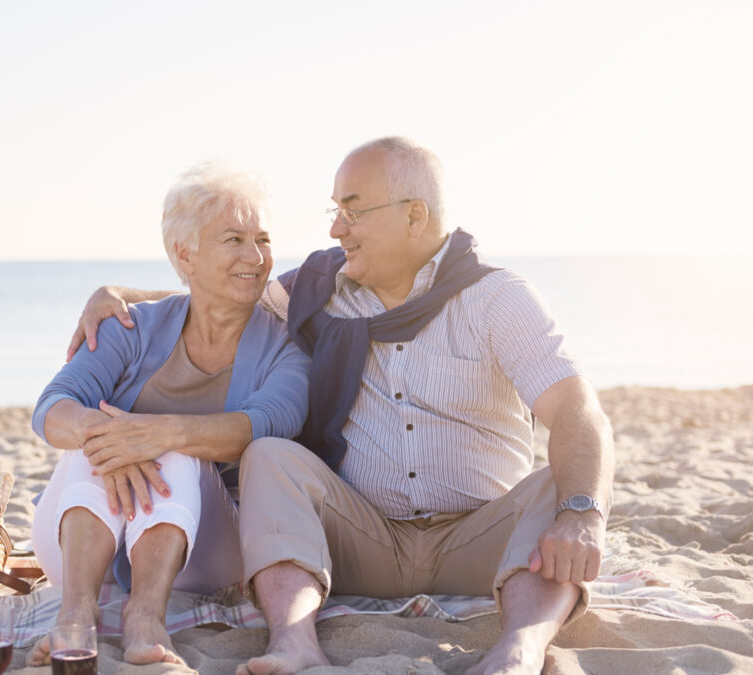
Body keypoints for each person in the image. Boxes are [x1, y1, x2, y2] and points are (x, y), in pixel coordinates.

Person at [68, 137, 615, 675]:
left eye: (351, 212)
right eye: (335, 212)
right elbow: (221, 287)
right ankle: (294, 642)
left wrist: (583, 513)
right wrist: (117, 293)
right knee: (271, 454)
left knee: (559, 487)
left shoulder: (497, 298)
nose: (335, 229)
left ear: (414, 216)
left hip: (480, 541)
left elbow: (575, 410)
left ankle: (520, 648)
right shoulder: (321, 288)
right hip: (364, 540)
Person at [27, 160, 310, 667]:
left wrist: (156, 435)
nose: (256, 256)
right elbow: (52, 408)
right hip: (78, 546)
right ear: (185, 253)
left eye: (262, 239)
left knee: (176, 451)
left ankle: (146, 616)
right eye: (234, 240)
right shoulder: (130, 327)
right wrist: (107, 434)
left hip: (205, 552)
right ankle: (75, 611)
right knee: (95, 435)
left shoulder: (285, 344)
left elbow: (269, 424)